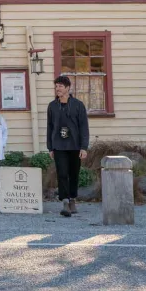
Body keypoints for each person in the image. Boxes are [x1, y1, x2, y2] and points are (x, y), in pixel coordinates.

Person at [47, 75, 89, 218]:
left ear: (67, 88)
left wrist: (84, 147)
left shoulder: (78, 105)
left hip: (75, 145)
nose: (57, 89)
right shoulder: (52, 106)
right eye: (56, 86)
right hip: (58, 145)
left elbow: (83, 127)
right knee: (62, 173)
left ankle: (72, 199)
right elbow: (50, 127)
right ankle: (65, 201)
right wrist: (50, 147)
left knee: (74, 174)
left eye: (60, 86)